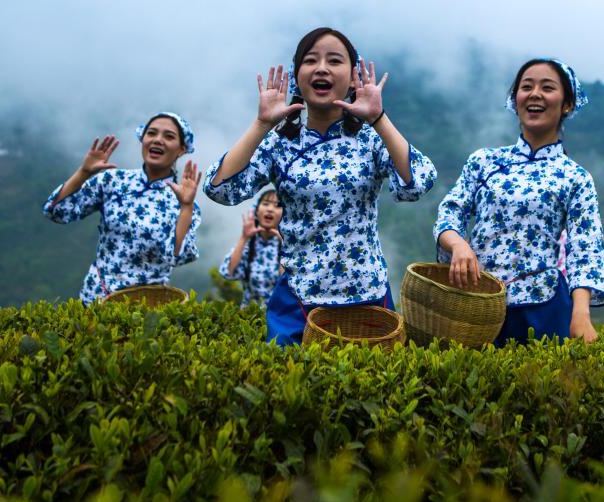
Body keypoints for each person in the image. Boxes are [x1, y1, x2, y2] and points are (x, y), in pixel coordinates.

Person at [205, 27, 436, 345]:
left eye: (335, 60)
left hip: (365, 296)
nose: (322, 68)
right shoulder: (280, 144)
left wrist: (379, 118)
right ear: (296, 75)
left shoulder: (369, 139)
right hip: (298, 297)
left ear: (353, 77)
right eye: (311, 60)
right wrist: (261, 125)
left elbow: (418, 183)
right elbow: (220, 188)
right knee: (289, 387)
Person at [434, 58, 604, 344]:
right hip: (478, 304)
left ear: (567, 104)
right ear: (515, 101)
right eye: (526, 87)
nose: (535, 94)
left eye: (547, 87)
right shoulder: (484, 161)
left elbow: (586, 249)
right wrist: (458, 244)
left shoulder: (575, 177)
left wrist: (581, 313)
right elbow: (450, 213)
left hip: (545, 309)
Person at [43, 112, 202, 303]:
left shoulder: (183, 201)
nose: (158, 140)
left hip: (148, 307)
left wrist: (185, 207)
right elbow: (57, 212)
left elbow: (177, 256)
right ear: (143, 139)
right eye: (151, 133)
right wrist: (83, 172)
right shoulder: (113, 180)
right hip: (96, 299)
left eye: (169, 136)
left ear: (182, 149)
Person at [219, 190, 284, 308]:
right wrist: (244, 237)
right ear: (257, 210)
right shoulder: (249, 243)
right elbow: (228, 272)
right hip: (249, 317)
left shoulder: (286, 246)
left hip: (277, 319)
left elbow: (289, 285)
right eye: (266, 203)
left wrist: (284, 245)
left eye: (277, 205)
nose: (270, 209)